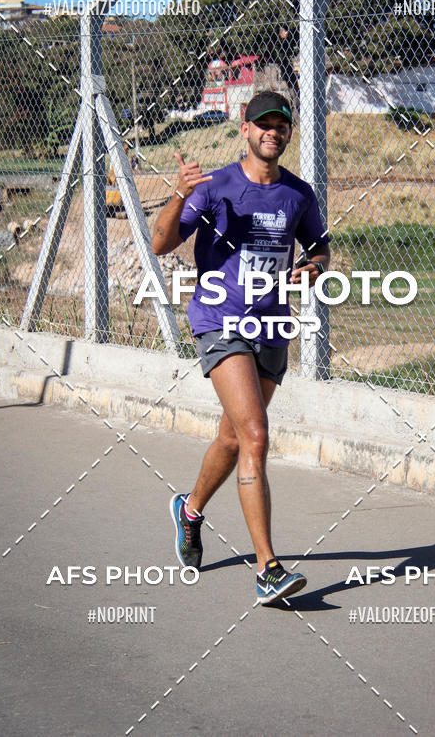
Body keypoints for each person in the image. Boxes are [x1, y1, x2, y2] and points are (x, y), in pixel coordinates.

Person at [152, 91, 330, 604]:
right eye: (262, 124)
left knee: (233, 439)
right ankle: (268, 568)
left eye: (281, 125)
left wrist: (312, 268)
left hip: (271, 325)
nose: (272, 131)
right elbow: (161, 242)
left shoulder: (298, 194)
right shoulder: (214, 187)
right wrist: (179, 194)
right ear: (244, 130)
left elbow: (320, 248)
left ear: (288, 133)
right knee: (255, 434)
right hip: (220, 321)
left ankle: (189, 510)